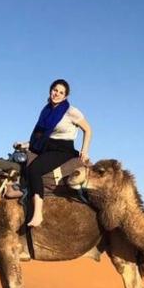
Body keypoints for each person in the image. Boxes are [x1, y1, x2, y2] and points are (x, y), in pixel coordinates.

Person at [22, 79, 92, 228]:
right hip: (47, 146)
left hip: (63, 149)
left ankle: (38, 214)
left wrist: (84, 151)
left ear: (65, 96)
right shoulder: (46, 111)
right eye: (55, 90)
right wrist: (27, 144)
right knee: (21, 160)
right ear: (50, 90)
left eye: (61, 92)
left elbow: (88, 129)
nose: (57, 94)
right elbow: (41, 135)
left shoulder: (71, 111)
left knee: (34, 170)